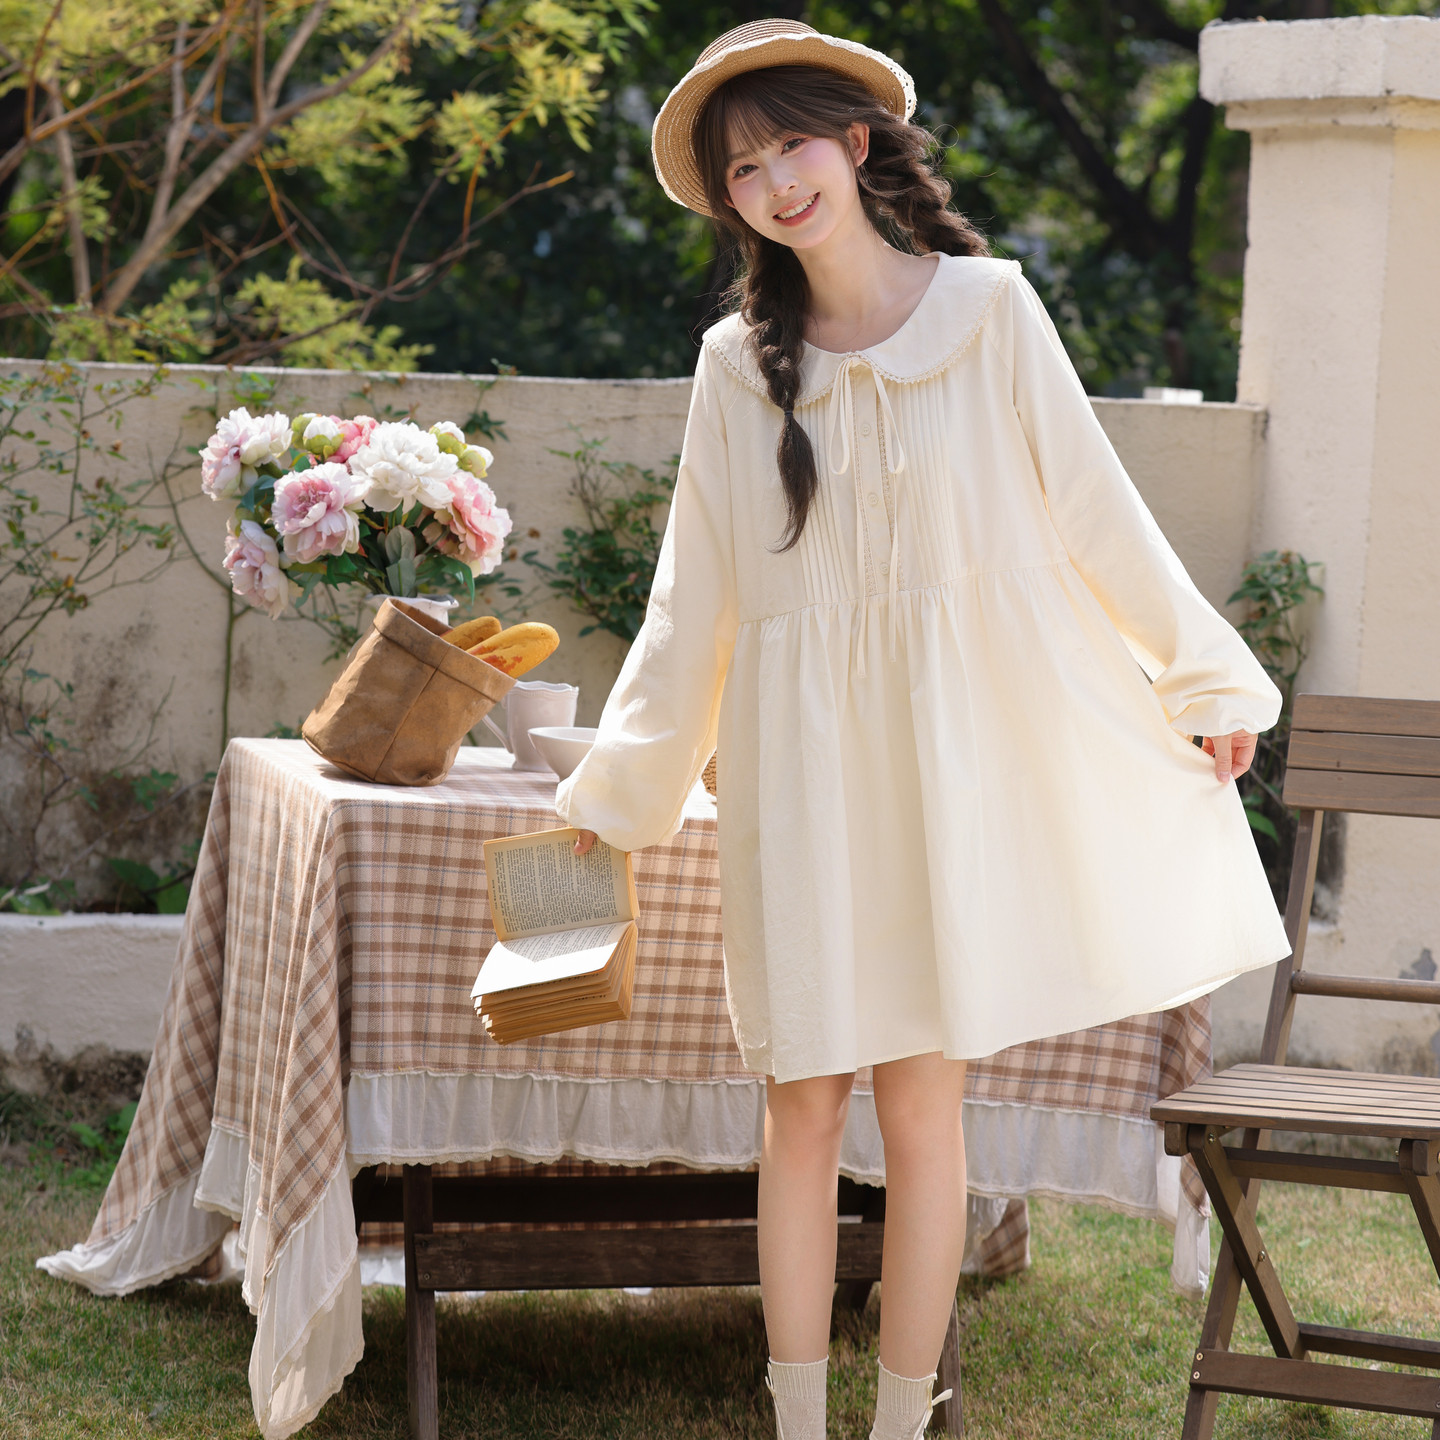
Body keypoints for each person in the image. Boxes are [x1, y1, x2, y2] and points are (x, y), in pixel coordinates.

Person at [554, 19, 1292, 1440]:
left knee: (922, 1113)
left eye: (793, 145)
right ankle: (795, 1424)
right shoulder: (733, 366)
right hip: (801, 778)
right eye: (744, 168)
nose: (777, 183)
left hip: (946, 772)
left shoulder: (991, 309)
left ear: (856, 143)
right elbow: (693, 601)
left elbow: (1098, 515)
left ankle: (900, 1425)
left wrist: (1205, 680)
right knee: (801, 1109)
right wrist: (619, 794)